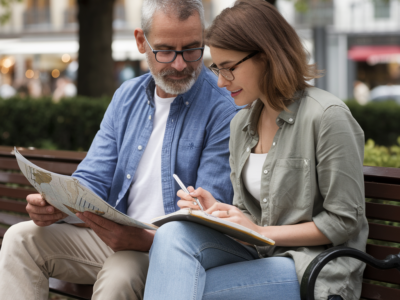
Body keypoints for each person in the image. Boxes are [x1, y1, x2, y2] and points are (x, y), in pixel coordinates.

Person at [0, 1, 238, 299]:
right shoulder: (127, 96)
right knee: (20, 238)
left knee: (120, 273)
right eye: (165, 50)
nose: (180, 64)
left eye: (192, 49)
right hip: (111, 237)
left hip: (169, 251)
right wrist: (57, 203)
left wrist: (144, 239)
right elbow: (93, 177)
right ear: (141, 41)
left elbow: (208, 217)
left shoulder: (223, 108)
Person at [143, 1, 368, 300]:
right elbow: (251, 217)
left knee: (186, 287)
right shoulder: (242, 125)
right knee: (172, 235)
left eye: (229, 68)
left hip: (312, 268)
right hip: (263, 256)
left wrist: (263, 232)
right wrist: (220, 213)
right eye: (217, 68)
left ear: (265, 57)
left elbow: (344, 221)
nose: (221, 82)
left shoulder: (327, 116)